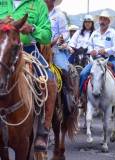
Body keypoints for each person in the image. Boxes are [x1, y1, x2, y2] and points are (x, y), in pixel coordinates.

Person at [0, 0, 57, 151]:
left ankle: (43, 130)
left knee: (50, 81)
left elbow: (47, 36)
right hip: (2, 50)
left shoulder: (39, 4)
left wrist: (32, 28)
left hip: (28, 51)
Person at [80, 10, 115, 107]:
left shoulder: (113, 33)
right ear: (99, 20)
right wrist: (92, 51)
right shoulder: (94, 33)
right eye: (101, 19)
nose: (102, 21)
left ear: (108, 21)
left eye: (105, 19)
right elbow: (89, 46)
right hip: (95, 60)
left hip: (109, 59)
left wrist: (106, 51)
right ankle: (81, 97)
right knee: (82, 74)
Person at [45, 0, 70, 72]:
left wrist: (60, 38)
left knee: (64, 69)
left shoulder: (60, 15)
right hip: (39, 49)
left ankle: (66, 83)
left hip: (55, 49)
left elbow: (65, 32)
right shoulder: (39, 14)